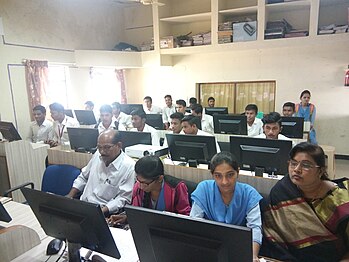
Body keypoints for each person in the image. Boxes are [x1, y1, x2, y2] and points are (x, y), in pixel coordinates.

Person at [261, 142, 349, 262]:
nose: (296, 170)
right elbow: (272, 234)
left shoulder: (341, 198)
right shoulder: (282, 190)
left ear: (321, 171)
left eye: (306, 165)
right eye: (293, 163)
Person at [190, 152, 263, 261]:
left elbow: (255, 228)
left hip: (238, 249)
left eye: (230, 175)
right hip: (210, 247)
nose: (224, 182)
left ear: (237, 172)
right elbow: (195, 224)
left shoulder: (249, 194)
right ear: (212, 175)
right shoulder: (203, 189)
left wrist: (252, 255)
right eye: (218, 176)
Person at [67, 129, 135, 215]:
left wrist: (102, 211)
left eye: (107, 147)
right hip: (83, 205)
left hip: (104, 211)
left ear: (119, 145)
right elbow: (84, 177)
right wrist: (70, 196)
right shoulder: (97, 155)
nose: (102, 151)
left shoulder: (129, 167)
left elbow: (123, 198)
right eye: (99, 147)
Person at [107, 155, 191, 225]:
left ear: (160, 178)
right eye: (138, 180)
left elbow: (185, 218)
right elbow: (137, 212)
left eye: (145, 183)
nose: (140, 186)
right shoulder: (138, 186)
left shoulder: (176, 188)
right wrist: (126, 218)